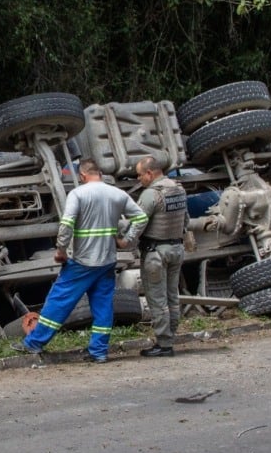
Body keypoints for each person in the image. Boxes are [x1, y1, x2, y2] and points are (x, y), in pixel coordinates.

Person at [11, 159, 148, 363]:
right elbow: (141, 218)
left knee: (58, 302)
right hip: (107, 261)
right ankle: (99, 352)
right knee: (103, 307)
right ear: (99, 173)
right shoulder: (118, 194)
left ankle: (34, 343)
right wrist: (127, 241)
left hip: (82, 262)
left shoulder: (78, 194)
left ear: (82, 176)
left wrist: (61, 250)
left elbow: (66, 224)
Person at [132, 156, 189, 358]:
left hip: (156, 253)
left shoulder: (151, 194)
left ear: (150, 173)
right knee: (172, 296)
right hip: (176, 249)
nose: (139, 180)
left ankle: (164, 344)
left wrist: (124, 236)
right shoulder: (178, 188)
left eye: (140, 175)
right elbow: (186, 219)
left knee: (157, 299)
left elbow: (137, 224)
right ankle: (171, 335)